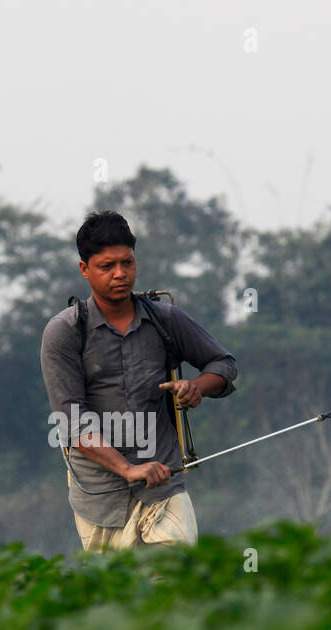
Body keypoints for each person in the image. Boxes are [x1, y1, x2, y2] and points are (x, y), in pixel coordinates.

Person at [40, 210, 238, 552]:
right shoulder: (65, 332)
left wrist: (197, 388)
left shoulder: (165, 319)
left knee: (171, 583)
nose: (120, 274)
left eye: (127, 263)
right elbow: (72, 423)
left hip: (164, 490)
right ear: (84, 269)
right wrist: (127, 468)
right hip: (98, 499)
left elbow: (223, 364)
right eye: (107, 266)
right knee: (118, 599)